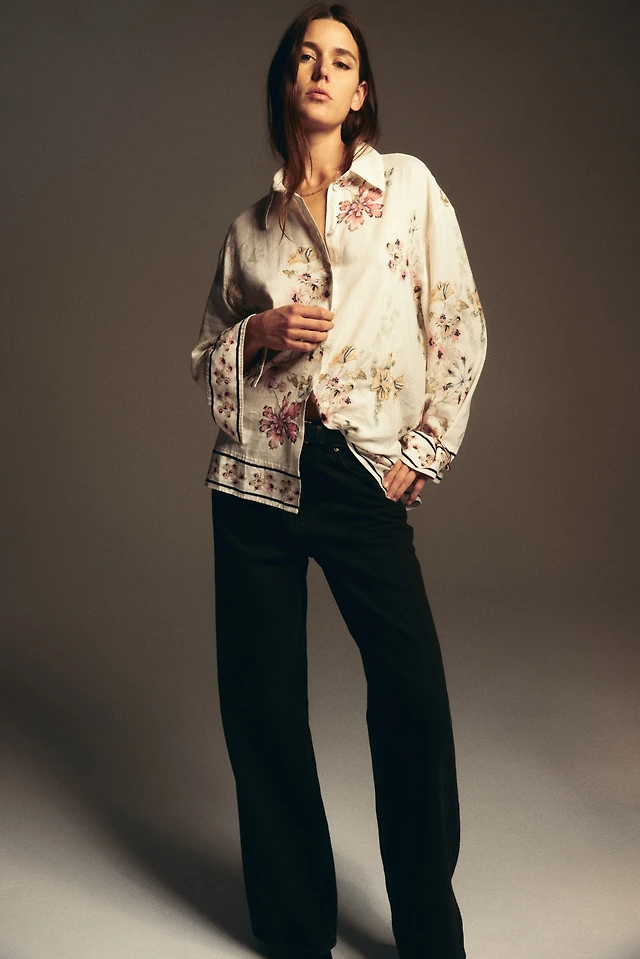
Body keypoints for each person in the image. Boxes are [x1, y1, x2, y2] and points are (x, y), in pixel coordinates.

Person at [191, 4, 487, 958]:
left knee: (412, 695)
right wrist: (259, 333)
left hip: (360, 470)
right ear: (288, 82)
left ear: (361, 93)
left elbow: (459, 320)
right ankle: (293, 930)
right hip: (254, 479)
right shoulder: (250, 230)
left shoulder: (407, 188)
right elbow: (204, 356)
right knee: (262, 705)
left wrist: (426, 447)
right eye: (306, 57)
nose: (322, 70)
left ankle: (427, 930)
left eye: (342, 60)